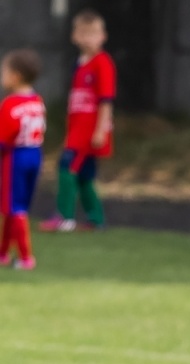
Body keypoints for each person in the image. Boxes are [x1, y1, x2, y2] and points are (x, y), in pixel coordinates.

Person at [41, 9, 115, 233]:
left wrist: (100, 130)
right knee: (84, 175)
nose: (88, 39)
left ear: (103, 36)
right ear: (74, 36)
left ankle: (64, 217)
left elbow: (106, 101)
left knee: (66, 167)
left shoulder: (102, 63)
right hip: (77, 129)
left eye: (93, 33)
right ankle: (96, 220)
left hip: (89, 131)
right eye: (83, 33)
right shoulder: (80, 63)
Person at [0, 49, 45, 270]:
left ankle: (26, 258)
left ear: (16, 75)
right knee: (13, 206)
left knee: (15, 207)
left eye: (4, 71)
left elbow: (3, 138)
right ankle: (3, 253)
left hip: (15, 158)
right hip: (35, 154)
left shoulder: (10, 104)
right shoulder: (37, 100)